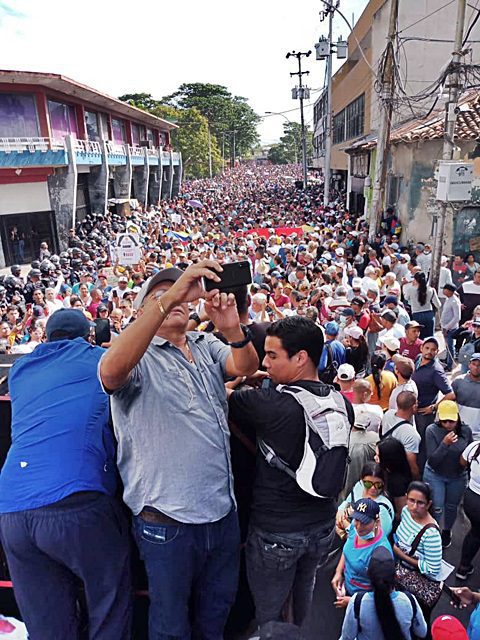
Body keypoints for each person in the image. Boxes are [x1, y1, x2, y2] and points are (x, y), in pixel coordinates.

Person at [99, 261, 259, 640]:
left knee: (215, 616)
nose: (177, 299)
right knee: (170, 625)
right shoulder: (136, 356)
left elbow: (246, 365)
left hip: (221, 514)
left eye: (182, 294)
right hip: (166, 520)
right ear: (141, 313)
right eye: (161, 295)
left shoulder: (204, 344)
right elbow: (109, 373)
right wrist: (172, 293)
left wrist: (232, 328)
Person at [0, 309, 131, 640]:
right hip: (76, 499)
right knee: (108, 605)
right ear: (89, 337)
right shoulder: (100, 359)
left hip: (13, 509)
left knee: (47, 624)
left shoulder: (20, 370)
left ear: (45, 338)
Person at [228, 316, 352, 626]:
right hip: (322, 527)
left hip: (276, 533)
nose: (265, 363)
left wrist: (241, 380)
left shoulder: (268, 405)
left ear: (300, 358)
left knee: (270, 618)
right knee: (302, 600)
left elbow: (222, 393)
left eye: (272, 355)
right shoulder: (341, 402)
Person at [339, 546, 427, 640]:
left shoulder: (357, 603)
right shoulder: (409, 601)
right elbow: (422, 632)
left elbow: (347, 637)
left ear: (368, 574)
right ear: (396, 576)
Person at [393, 481, 443, 629]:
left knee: (417, 623)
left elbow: (433, 568)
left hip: (416, 584)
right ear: (406, 497)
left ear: (428, 505)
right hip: (400, 574)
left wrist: (402, 555)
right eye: (411, 500)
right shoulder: (405, 512)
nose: (414, 506)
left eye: (420, 503)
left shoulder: (431, 533)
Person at [423, 400, 472, 548]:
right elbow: (432, 461)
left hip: (457, 476)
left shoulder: (466, 431)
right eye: (444, 421)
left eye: (451, 420)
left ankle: (447, 531)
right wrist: (444, 444)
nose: (448, 424)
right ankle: (434, 532)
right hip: (435, 474)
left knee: (452, 507)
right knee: (437, 507)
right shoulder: (431, 430)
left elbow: (469, 454)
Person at [331, 498, 392, 609]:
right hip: (347, 588)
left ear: (376, 522)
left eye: (364, 522)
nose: (358, 526)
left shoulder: (381, 553)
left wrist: (353, 601)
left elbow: (383, 595)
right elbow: (348, 549)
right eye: (356, 519)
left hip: (364, 602)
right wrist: (338, 572)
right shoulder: (355, 529)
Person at [412, 336, 455, 469]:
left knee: (423, 444)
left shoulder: (436, 370)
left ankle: (423, 471)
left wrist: (433, 407)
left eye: (433, 350)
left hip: (424, 414)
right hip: (412, 410)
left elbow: (450, 394)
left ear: (437, 352)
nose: (429, 352)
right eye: (427, 348)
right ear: (421, 348)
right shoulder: (418, 359)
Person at [336, 463, 394, 539]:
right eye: (368, 484)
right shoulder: (359, 487)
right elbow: (347, 501)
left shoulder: (383, 508)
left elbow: (377, 538)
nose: (373, 488)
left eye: (378, 485)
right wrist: (340, 512)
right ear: (362, 480)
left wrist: (346, 528)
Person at [382, 390, 421, 480]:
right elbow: (412, 465)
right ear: (414, 407)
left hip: (384, 467)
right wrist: (417, 479)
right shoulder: (412, 435)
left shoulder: (388, 414)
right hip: (399, 474)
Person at [456, 436, 480, 580]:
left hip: (471, 500)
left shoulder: (475, 447)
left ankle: (463, 567)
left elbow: (462, 461)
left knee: (475, 533)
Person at [376, 437, 412, 516]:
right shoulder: (387, 472)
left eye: (378, 456)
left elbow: (401, 512)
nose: (375, 458)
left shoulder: (397, 483)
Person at [404, 272, 440, 339]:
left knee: (418, 337)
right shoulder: (431, 290)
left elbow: (406, 298)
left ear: (415, 280)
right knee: (430, 337)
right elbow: (438, 304)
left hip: (417, 314)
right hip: (429, 314)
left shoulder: (410, 289)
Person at [452, 352, 480, 440]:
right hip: (459, 432)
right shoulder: (458, 381)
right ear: (469, 365)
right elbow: (450, 403)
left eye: (479, 365)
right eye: (474, 364)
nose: (476, 367)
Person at [440, 283, 461, 371]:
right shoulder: (449, 299)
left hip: (450, 328)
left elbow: (457, 317)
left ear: (449, 291)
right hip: (445, 327)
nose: (443, 291)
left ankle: (449, 365)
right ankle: (447, 359)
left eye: (444, 289)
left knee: (450, 346)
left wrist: (447, 327)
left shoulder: (454, 301)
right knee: (447, 346)